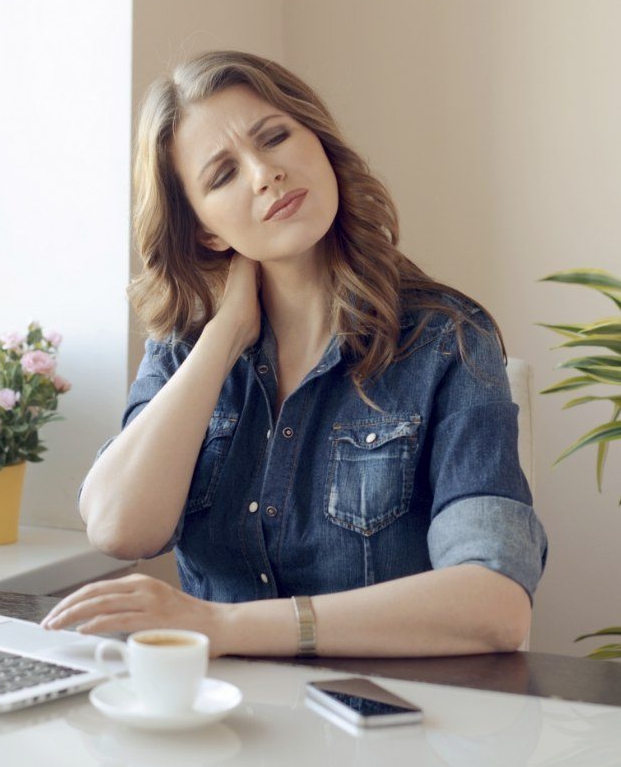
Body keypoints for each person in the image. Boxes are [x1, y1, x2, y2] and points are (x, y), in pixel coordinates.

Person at [41, 50, 548, 658]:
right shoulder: (185, 348)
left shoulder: (447, 339)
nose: (264, 174)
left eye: (275, 137)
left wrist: (225, 627)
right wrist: (225, 335)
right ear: (206, 230)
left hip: (390, 726)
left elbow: (495, 606)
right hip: (219, 725)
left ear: (319, 142)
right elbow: (119, 528)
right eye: (222, 175)